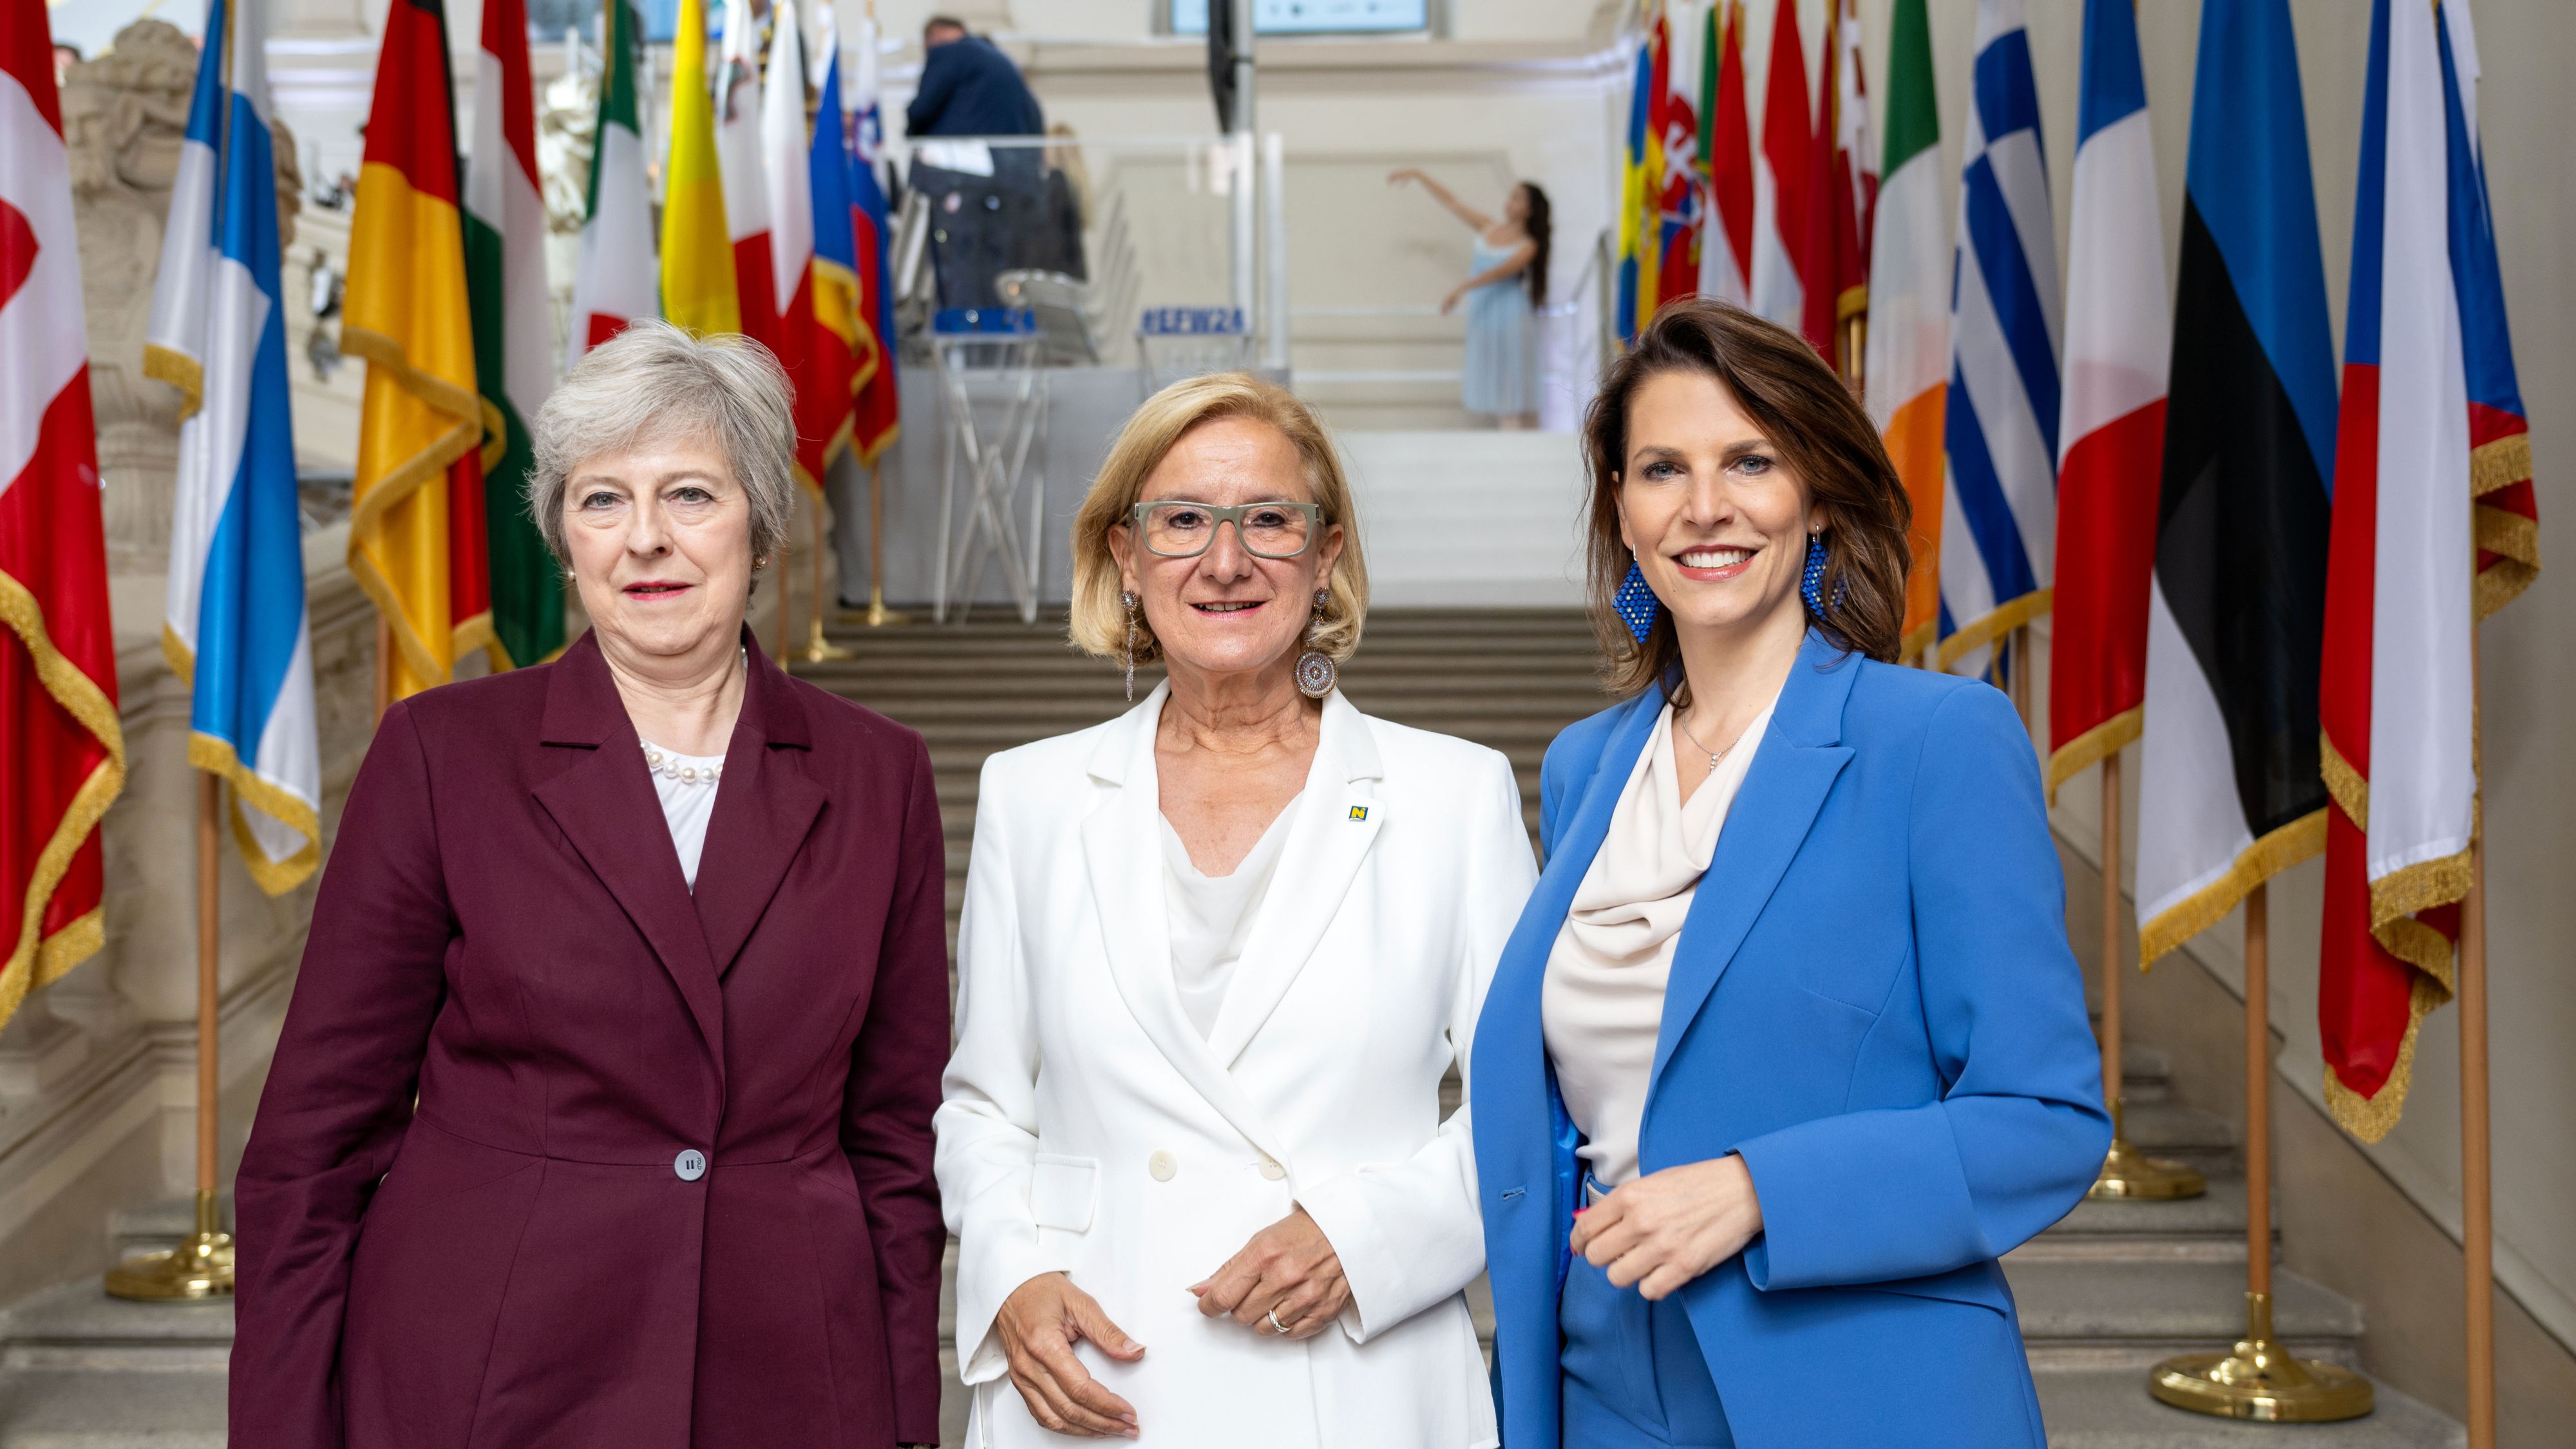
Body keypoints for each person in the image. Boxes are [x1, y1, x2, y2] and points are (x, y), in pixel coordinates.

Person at [229, 322, 952, 1449]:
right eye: (603, 500)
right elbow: (315, 1144)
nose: (645, 541)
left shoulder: (879, 774)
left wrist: (906, 1418)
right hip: (491, 1370)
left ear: (761, 522)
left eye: (691, 496)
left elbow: (898, 1143)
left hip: (789, 1379)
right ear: (563, 538)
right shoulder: (442, 755)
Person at [1470, 299, 2109, 1449]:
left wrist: (1760, 1190)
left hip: (1857, 1387)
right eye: (1662, 468)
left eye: (1750, 461)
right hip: (1601, 1385)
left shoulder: (1937, 740)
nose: (1705, 506)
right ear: (1621, 507)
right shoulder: (1585, 767)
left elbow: (2044, 1117)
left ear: (1815, 494)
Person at [938, 372, 1536, 1446]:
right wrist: (1013, 1277)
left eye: (1269, 519)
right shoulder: (1031, 796)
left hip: (1351, 1377)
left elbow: (1525, 1097)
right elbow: (984, 1105)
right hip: (1094, 1375)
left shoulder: (1455, 794)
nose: (1226, 561)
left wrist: (1367, 1238)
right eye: (1182, 521)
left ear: (1328, 553)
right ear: (1126, 557)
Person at [1388, 168, 1551, 428]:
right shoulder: (1487, 225)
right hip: (1485, 312)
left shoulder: (1529, 245)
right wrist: (1419, 175)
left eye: (1518, 198)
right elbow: (1452, 201)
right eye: (1511, 195)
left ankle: (1517, 434)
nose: (1510, 201)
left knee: (1510, 378)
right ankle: (1507, 431)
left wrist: (1462, 287)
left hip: (1510, 313)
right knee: (1490, 373)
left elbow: (1500, 272)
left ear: (1530, 209)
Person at [907, 15, 1046, 308]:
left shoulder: (948, 52)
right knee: (997, 276)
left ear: (932, 38)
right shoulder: (1003, 66)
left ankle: (965, 337)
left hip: (964, 190)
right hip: (1013, 192)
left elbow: (920, 111)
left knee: (961, 276)